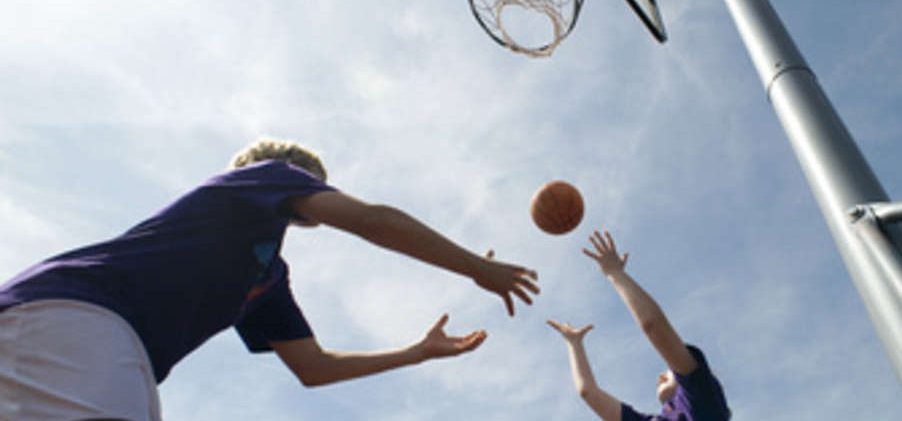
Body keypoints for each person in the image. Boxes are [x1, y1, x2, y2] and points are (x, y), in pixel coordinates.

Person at [0, 139, 540, 421]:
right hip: (75, 315)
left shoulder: (266, 276)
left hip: (99, 343)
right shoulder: (262, 177)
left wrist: (416, 353)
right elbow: (373, 219)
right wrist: (478, 268)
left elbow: (314, 367)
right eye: (314, 183)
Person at [548, 230, 729, 421]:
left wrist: (614, 273)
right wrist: (574, 344)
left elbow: (652, 326)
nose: (660, 377)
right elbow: (588, 392)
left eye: (669, 371)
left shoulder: (704, 399)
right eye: (668, 371)